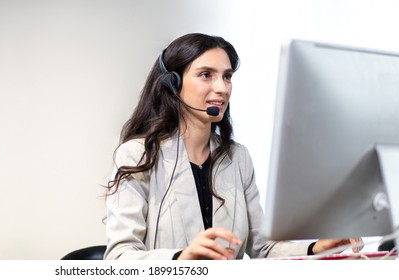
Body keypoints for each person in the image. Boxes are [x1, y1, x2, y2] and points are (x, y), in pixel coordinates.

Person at [103, 33, 363, 260]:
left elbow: (262, 249)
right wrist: (181, 258)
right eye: (206, 75)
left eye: (227, 77)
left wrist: (317, 247)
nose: (222, 88)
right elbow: (119, 256)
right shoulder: (139, 154)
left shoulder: (238, 158)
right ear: (174, 84)